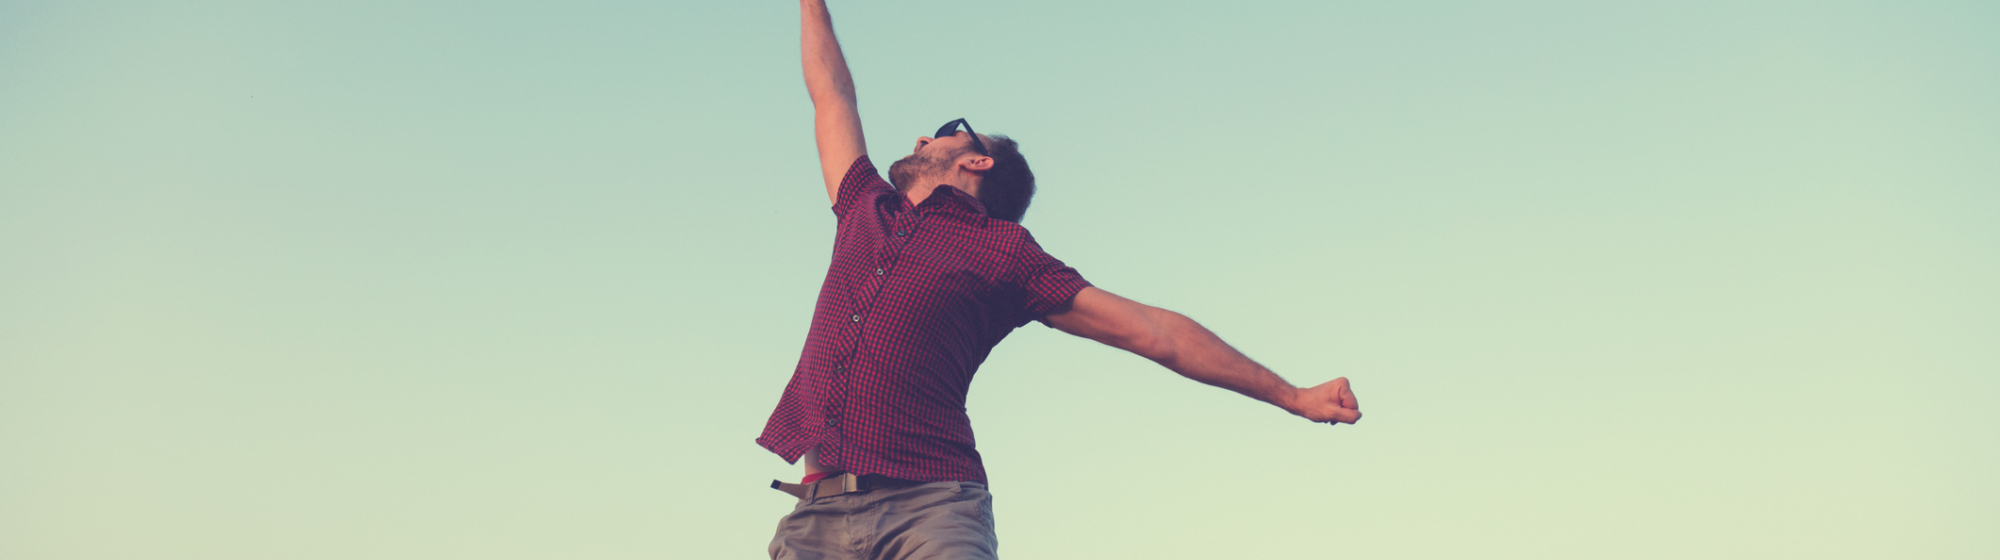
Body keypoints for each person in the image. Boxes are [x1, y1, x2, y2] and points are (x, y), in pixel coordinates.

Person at [758, 2, 1363, 558]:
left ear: (978, 160)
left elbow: (1156, 333)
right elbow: (832, 94)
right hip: (816, 514)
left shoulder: (1006, 252)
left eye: (945, 128)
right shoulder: (867, 206)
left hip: (930, 509)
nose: (920, 136)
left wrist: (1294, 396)